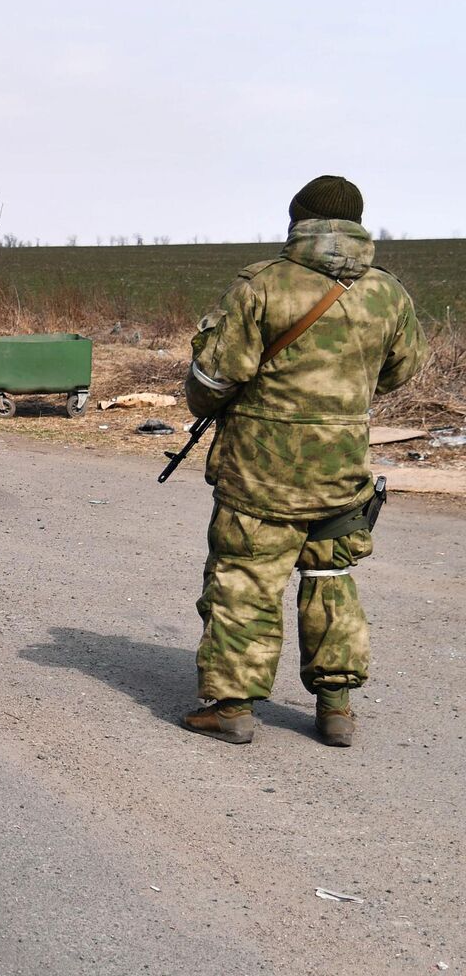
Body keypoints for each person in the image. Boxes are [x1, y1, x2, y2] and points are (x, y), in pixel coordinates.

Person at [181, 175, 426, 747]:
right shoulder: (389, 294)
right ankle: (336, 709)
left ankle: (234, 709)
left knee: (245, 579)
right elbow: (400, 369)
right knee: (331, 577)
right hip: (343, 470)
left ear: (298, 219)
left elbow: (214, 376)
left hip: (261, 474)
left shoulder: (262, 286)